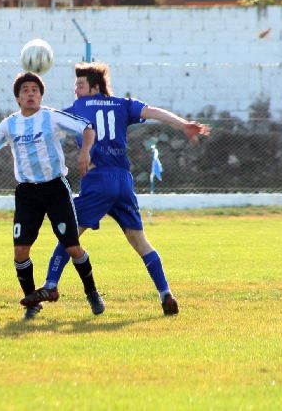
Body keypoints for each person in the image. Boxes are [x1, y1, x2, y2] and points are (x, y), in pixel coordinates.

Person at [21, 62, 211, 315]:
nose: (75, 90)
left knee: (68, 235)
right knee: (141, 242)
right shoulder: (122, 104)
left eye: (80, 85)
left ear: (95, 87)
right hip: (123, 180)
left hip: (98, 180)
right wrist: (183, 125)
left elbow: (46, 125)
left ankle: (50, 285)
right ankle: (166, 293)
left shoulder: (78, 108)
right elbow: (153, 112)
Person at [0, 72, 99, 320]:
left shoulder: (51, 117)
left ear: (41, 96)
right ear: (18, 98)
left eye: (35, 89)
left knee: (73, 247)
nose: (30, 93)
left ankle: (92, 293)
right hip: (27, 193)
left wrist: (85, 152)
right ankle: (32, 302)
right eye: (25, 90)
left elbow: (87, 128)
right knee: (20, 251)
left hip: (55, 189)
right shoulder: (9, 124)